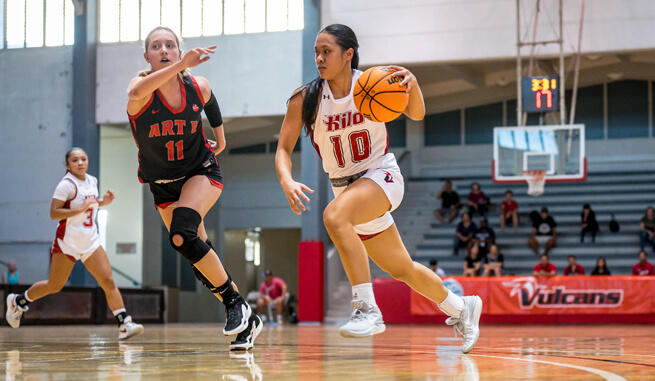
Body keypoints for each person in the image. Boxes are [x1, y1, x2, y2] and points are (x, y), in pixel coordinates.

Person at [274, 24, 481, 353]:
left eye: (326, 51)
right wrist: (286, 179)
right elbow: (283, 148)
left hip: (381, 176)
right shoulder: (306, 98)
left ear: (348, 54)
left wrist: (412, 86)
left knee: (334, 218)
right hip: (346, 190)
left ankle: (366, 308)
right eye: (316, 51)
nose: (319, 57)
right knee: (402, 269)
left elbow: (416, 114)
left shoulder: (373, 83)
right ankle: (462, 308)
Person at [126, 26, 260, 350]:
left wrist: (222, 139)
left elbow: (211, 103)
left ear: (178, 49)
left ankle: (235, 305)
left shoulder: (196, 86)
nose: (163, 50)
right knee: (198, 258)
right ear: (147, 56)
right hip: (162, 187)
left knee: (181, 234)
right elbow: (135, 93)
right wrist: (180, 64)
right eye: (156, 46)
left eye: (170, 45)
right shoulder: (139, 90)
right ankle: (247, 321)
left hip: (200, 172)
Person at [5, 148, 143, 339]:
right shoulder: (66, 185)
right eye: (75, 160)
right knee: (54, 285)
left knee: (108, 281)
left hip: (90, 241)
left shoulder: (92, 180)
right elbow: (54, 213)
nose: (80, 163)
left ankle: (124, 323)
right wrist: (79, 209)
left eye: (83, 159)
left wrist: (104, 202)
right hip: (67, 242)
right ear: (68, 165)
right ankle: (18, 301)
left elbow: (90, 206)